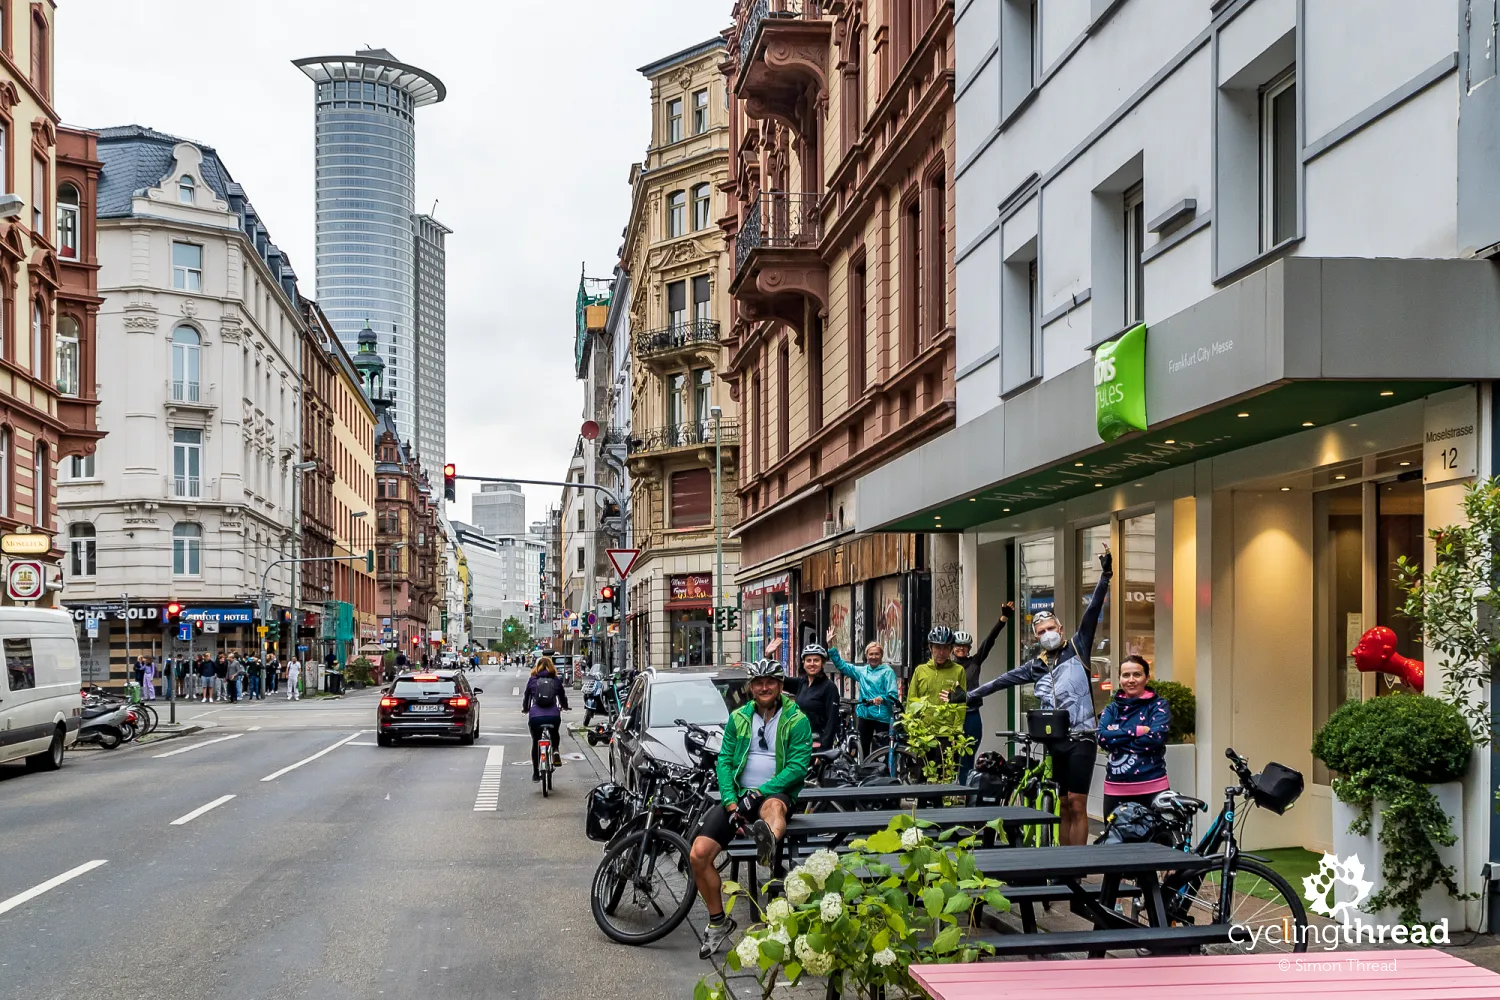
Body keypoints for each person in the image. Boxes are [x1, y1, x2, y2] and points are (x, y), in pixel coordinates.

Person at [945, 546, 1113, 845]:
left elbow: (1093, 611)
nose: (1047, 633)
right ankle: (1063, 861)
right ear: (1035, 637)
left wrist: (1105, 575)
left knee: (1077, 802)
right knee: (1062, 803)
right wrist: (965, 697)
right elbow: (998, 682)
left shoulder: (1078, 648)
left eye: (1051, 628)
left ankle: (1080, 862)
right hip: (1054, 739)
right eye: (1041, 631)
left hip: (1083, 737)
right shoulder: (1035, 666)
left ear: (1061, 629)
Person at [689, 658, 812, 960]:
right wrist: (732, 801)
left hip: (775, 793)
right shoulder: (739, 718)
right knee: (699, 854)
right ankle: (718, 922)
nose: (764, 687)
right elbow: (725, 761)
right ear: (751, 687)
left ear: (781, 686)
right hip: (739, 797)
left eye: (770, 681)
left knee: (773, 810)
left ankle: (766, 842)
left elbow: (797, 767)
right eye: (758, 682)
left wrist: (760, 792)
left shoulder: (797, 720)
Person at [1096, 654, 1171, 817]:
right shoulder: (1112, 709)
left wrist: (1116, 738)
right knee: (1114, 840)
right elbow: (1101, 738)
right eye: (1126, 675)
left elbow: (1156, 738)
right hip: (1115, 790)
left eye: (1137, 674)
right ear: (1120, 679)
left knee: (1156, 841)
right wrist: (1137, 731)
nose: (1131, 680)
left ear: (1147, 678)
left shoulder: (1158, 705)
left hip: (1153, 787)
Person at [953, 603, 1013, 781]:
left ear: (969, 649)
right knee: (950, 757)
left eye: (965, 647)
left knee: (968, 758)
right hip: (952, 715)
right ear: (952, 648)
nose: (961, 650)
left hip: (972, 714)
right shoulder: (948, 667)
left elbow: (989, 642)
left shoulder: (974, 662)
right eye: (958, 647)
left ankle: (965, 793)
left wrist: (1003, 619)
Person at [825, 630, 898, 758]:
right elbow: (842, 666)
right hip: (864, 714)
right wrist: (831, 647)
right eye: (871, 654)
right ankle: (864, 772)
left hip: (882, 717)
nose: (873, 657)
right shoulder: (863, 671)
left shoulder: (888, 672)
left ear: (881, 655)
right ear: (866, 656)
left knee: (882, 750)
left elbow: (893, 695)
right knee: (863, 749)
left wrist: (883, 698)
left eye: (876, 654)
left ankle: (882, 774)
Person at [782, 642, 839, 750]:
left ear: (822, 663)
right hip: (801, 740)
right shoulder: (802, 682)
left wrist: (824, 749)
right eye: (808, 660)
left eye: (816, 660)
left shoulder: (829, 687)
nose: (812, 664)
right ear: (803, 663)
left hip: (817, 743)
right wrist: (768, 657)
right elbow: (779, 680)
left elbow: (832, 722)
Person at [522, 657, 569, 781]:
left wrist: (526, 709)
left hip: (535, 717)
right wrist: (565, 706)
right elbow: (562, 696)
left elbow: (526, 697)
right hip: (553, 715)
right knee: (554, 733)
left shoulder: (532, 680)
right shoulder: (556, 680)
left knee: (535, 741)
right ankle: (555, 750)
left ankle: (536, 773)